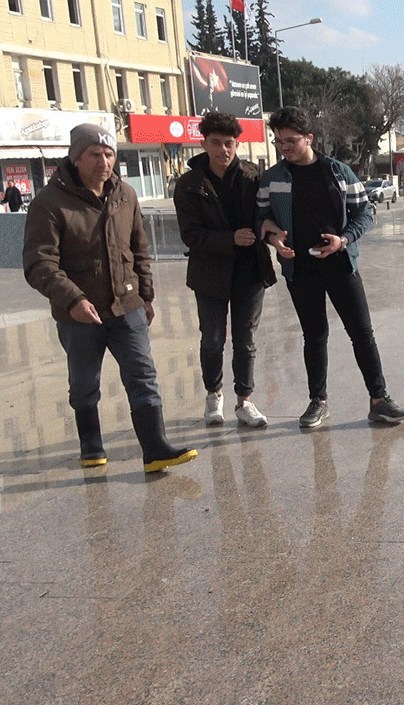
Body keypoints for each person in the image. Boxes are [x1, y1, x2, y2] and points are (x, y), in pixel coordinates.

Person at [23, 123, 197, 473]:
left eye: (109, 154)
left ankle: (155, 448)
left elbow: (139, 249)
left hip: (127, 307)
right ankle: (91, 444)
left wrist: (146, 295)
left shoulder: (125, 195)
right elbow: (39, 263)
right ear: (76, 157)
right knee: (85, 383)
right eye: (94, 154)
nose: (104, 161)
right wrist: (72, 300)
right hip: (80, 315)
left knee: (143, 376)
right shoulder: (49, 203)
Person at [256, 106, 404, 429]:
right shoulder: (272, 178)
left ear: (309, 138)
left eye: (291, 141)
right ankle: (318, 401)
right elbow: (261, 218)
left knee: (362, 333)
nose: (284, 147)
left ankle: (379, 399)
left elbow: (364, 213)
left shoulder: (339, 172)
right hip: (300, 270)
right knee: (314, 336)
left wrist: (343, 239)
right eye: (279, 141)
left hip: (342, 266)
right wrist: (273, 238)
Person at [174, 111, 276, 428]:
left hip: (250, 271)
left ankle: (244, 401)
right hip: (209, 273)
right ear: (203, 143)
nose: (223, 150)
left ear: (237, 143)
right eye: (216, 143)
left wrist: (275, 236)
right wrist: (229, 239)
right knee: (212, 339)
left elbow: (267, 217)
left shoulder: (253, 177)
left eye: (229, 143)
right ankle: (213, 395)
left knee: (245, 339)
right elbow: (190, 235)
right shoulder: (189, 184)